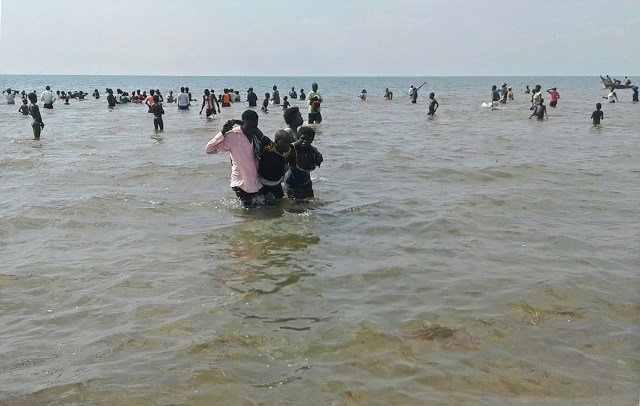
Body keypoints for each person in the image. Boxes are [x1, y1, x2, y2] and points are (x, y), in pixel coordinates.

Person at [205, 110, 264, 207]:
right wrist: (223, 132)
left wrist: (241, 123)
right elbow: (209, 149)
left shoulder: (255, 136)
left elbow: (264, 139)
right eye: (250, 127)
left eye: (255, 127)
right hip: (241, 183)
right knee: (249, 214)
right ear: (243, 123)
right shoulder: (233, 136)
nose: (253, 130)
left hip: (256, 183)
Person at [284, 126, 323, 200]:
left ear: (311, 141)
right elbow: (283, 156)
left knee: (311, 205)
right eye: (302, 138)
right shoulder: (293, 151)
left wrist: (317, 155)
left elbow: (319, 160)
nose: (304, 141)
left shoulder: (313, 152)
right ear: (298, 138)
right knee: (295, 207)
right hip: (292, 184)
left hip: (306, 182)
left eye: (308, 139)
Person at [257, 129, 294, 200]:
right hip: (262, 183)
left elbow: (297, 144)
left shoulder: (288, 150)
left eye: (289, 142)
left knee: (279, 203)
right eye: (285, 142)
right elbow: (257, 131)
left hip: (276, 183)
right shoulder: (269, 146)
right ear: (276, 141)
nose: (288, 145)